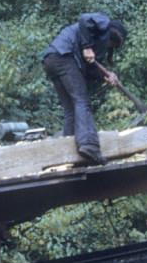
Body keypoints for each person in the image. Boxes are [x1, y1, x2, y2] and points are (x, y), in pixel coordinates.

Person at [42, 11, 126, 165]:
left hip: (51, 59)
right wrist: (87, 47)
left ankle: (67, 148)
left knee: (71, 108)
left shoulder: (96, 46)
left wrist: (105, 76)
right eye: (112, 44)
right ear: (113, 36)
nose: (109, 47)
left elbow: (90, 68)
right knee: (82, 100)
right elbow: (84, 19)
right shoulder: (103, 23)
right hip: (63, 54)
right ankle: (89, 145)